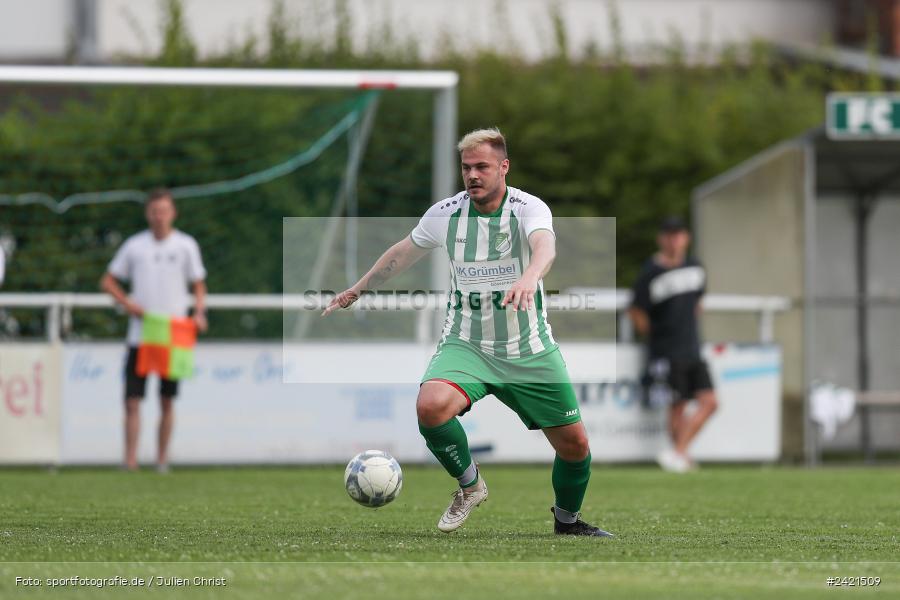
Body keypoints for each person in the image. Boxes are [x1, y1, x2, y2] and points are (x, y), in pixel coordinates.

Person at [324, 128, 613, 537]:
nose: (473, 175)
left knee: (575, 447)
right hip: (468, 344)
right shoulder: (447, 213)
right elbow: (402, 253)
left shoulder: (528, 208)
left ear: (504, 167)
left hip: (528, 348)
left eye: (482, 167)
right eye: (466, 167)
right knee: (430, 406)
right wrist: (358, 288)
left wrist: (531, 275)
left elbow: (545, 246)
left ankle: (567, 521)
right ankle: (470, 485)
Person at [101, 188, 207, 472]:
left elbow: (198, 284)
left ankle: (162, 460)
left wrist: (199, 312)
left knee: (167, 401)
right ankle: (130, 461)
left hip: (174, 335)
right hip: (141, 334)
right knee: (132, 401)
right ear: (148, 213)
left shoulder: (186, 245)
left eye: (164, 211)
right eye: (154, 211)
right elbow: (108, 281)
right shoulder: (135, 246)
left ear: (173, 213)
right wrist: (128, 304)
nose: (159, 216)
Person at [628, 216, 718, 473]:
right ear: (661, 239)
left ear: (686, 237)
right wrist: (656, 335)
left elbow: (698, 303)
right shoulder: (650, 272)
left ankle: (677, 452)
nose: (674, 240)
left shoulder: (695, 267)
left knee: (710, 401)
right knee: (677, 405)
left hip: (692, 346)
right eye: (669, 235)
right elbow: (636, 310)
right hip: (667, 349)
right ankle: (680, 456)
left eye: (678, 234)